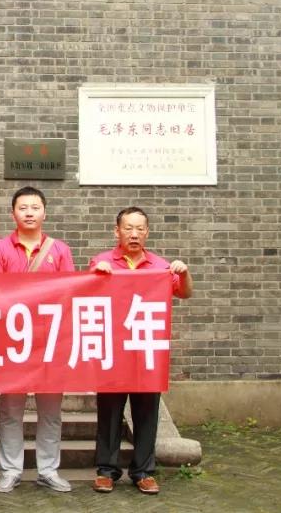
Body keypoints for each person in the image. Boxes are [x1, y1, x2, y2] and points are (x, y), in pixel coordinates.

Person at [89, 206, 193, 495]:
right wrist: (96, 276)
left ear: (147, 232)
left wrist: (184, 273)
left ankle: (143, 471)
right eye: (128, 228)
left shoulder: (160, 266)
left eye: (139, 229)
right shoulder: (101, 262)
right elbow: (86, 294)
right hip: (113, 351)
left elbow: (184, 292)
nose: (133, 234)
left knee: (147, 413)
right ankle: (106, 471)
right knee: (109, 413)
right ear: (117, 231)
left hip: (146, 350)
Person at [0, 186, 76, 494]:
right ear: (12, 213)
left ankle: (48, 470)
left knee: (50, 412)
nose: (29, 213)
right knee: (10, 411)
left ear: (44, 213)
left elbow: (68, 292)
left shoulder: (59, 250)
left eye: (35, 207)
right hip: (13, 342)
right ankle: (10, 470)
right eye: (23, 208)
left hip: (50, 342)